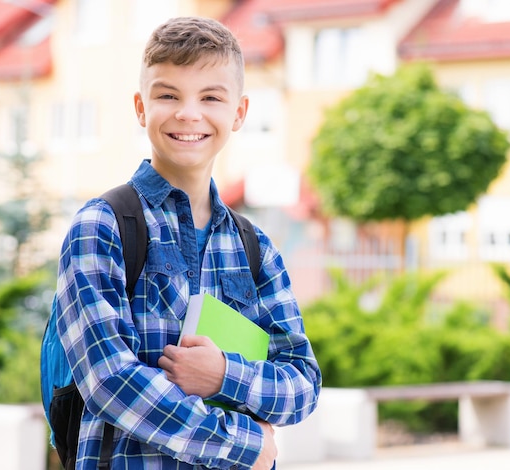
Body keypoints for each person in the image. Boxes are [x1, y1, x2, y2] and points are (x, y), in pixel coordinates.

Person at [54, 16, 321, 469]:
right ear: (141, 107)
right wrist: (243, 444)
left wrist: (224, 376)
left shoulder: (256, 248)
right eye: (168, 95)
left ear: (238, 113)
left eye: (211, 97)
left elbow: (302, 384)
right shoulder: (102, 226)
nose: (188, 113)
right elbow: (109, 381)